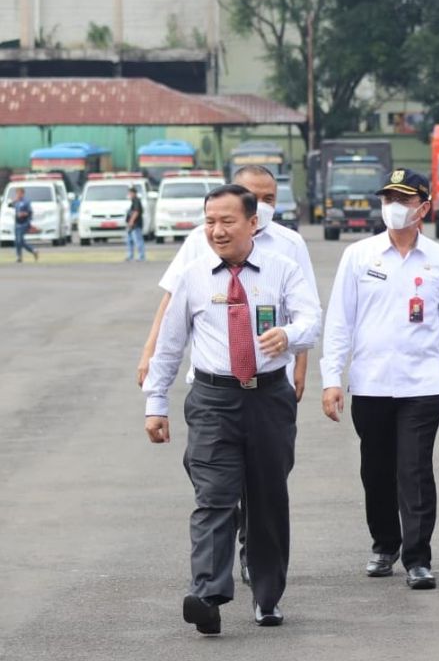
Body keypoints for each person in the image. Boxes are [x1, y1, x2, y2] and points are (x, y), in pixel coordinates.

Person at [142, 184, 322, 634]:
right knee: (214, 498)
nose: (216, 231)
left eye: (227, 221)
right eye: (209, 221)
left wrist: (289, 335)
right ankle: (207, 594)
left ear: (252, 223)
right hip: (212, 400)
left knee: (267, 500)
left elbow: (310, 319)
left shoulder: (281, 269)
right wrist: (156, 403)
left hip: (268, 399)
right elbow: (169, 344)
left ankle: (266, 596)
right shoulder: (194, 274)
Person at [320, 169, 439, 588]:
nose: (395, 207)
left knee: (415, 469)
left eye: (404, 199)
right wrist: (332, 378)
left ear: (424, 207)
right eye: (389, 198)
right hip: (370, 383)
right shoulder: (359, 255)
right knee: (376, 469)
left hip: (421, 384)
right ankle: (385, 544)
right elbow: (339, 322)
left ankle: (418, 557)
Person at [11, 186, 38, 263]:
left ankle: (19, 257)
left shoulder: (26, 202)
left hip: (24, 223)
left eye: (19, 193)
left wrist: (23, 214)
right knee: (19, 241)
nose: (18, 195)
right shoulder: (17, 201)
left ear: (23, 193)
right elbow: (10, 205)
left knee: (19, 240)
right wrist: (14, 201)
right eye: (17, 193)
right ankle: (33, 251)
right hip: (17, 222)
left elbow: (30, 212)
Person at [126, 185, 147, 262]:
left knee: (138, 240)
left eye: (130, 193)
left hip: (136, 225)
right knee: (129, 241)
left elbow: (136, 212)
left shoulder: (136, 201)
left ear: (133, 193)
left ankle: (141, 256)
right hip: (132, 225)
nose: (129, 195)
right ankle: (130, 256)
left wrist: (131, 221)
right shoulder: (133, 201)